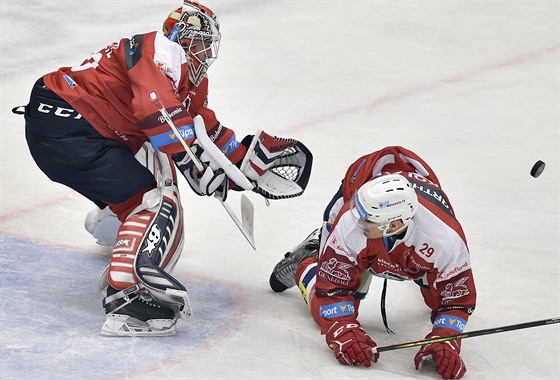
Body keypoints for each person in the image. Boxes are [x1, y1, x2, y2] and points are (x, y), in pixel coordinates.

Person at [12, 0, 312, 337]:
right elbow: (156, 110)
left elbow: (203, 129)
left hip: (83, 128)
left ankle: (111, 227)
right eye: (202, 43)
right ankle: (128, 299)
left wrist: (245, 164)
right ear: (182, 35)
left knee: (158, 163)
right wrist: (193, 163)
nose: (207, 52)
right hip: (69, 126)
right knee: (153, 200)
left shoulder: (188, 76)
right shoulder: (159, 49)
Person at [269, 146, 476, 380]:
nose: (355, 220)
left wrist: (446, 338)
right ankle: (307, 261)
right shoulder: (350, 220)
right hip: (368, 242)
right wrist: (342, 329)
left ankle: (403, 266)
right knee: (324, 310)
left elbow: (456, 301)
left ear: (394, 225)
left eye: (366, 220)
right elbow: (333, 291)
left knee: (437, 300)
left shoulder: (445, 240)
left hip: (412, 249)